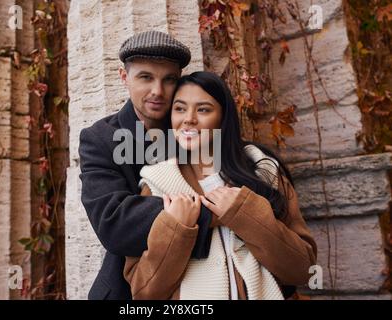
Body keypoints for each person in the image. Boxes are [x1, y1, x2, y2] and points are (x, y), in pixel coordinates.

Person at [123, 71, 318, 300]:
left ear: (223, 118)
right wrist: (177, 229)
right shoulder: (157, 184)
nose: (189, 119)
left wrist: (247, 214)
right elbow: (144, 293)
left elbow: (303, 270)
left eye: (203, 109)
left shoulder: (262, 170)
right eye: (180, 108)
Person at [79, 31, 215, 300]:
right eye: (145, 77)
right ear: (124, 78)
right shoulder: (99, 138)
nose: (158, 91)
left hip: (204, 284)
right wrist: (209, 213)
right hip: (128, 291)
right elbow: (114, 223)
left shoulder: (198, 131)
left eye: (169, 80)